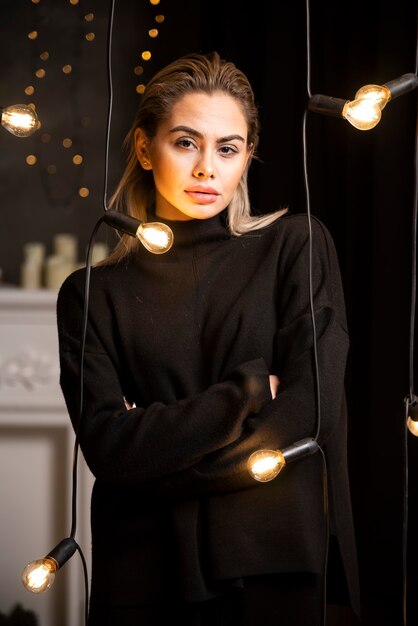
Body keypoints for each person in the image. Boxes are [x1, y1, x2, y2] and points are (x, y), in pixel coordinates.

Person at [56, 51, 360, 625]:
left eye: (227, 148)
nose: (207, 169)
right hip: (144, 567)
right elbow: (108, 447)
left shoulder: (296, 247)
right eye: (185, 142)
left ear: (247, 156)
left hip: (272, 556)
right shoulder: (91, 292)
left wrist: (156, 454)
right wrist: (245, 392)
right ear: (145, 148)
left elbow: (309, 413)